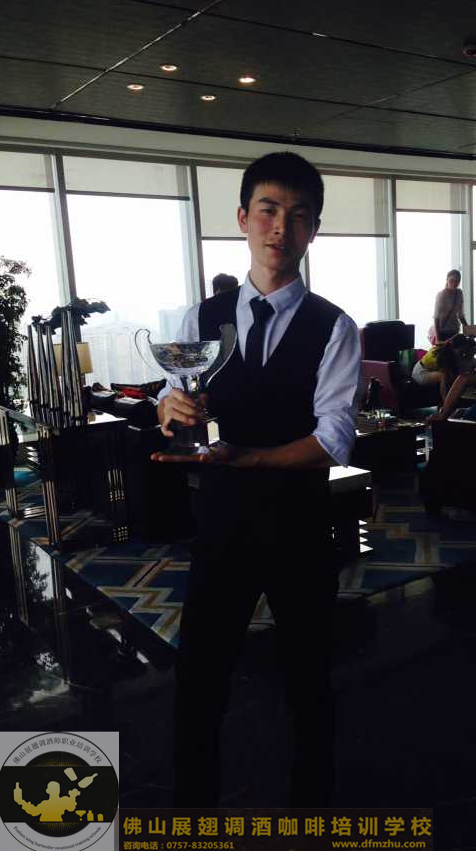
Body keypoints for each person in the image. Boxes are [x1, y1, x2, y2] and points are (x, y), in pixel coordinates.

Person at [153, 151, 361, 807]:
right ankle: (193, 813)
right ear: (243, 218)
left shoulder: (334, 327)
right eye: (268, 210)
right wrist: (170, 409)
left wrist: (248, 459)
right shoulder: (200, 318)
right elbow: (171, 396)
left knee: (309, 684)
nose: (281, 228)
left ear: (313, 231)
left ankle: (312, 814)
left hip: (301, 528)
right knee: (200, 680)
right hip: (221, 527)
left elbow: (333, 440)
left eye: (298, 216)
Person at [432, 269, 467, 343]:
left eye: (457, 281)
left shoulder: (459, 293)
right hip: (442, 332)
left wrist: (469, 329)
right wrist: (438, 339)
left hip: (454, 330)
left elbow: (460, 315)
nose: (454, 283)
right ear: (447, 280)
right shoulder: (441, 295)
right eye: (451, 281)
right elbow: (436, 317)